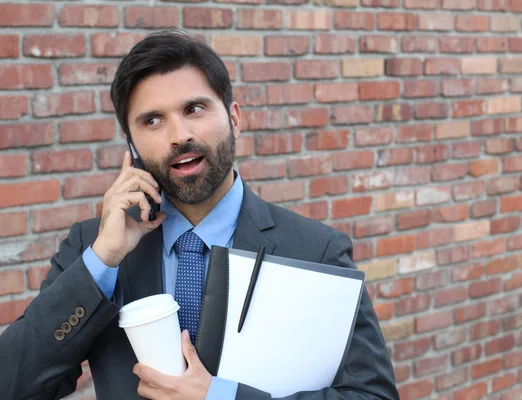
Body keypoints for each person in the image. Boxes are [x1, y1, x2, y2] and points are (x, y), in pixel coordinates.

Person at [0, 30, 399, 400]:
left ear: (234, 119)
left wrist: (220, 396)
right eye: (152, 120)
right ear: (131, 145)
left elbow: (372, 395)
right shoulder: (94, 248)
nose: (178, 135)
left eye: (194, 109)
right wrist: (104, 260)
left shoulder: (315, 249)